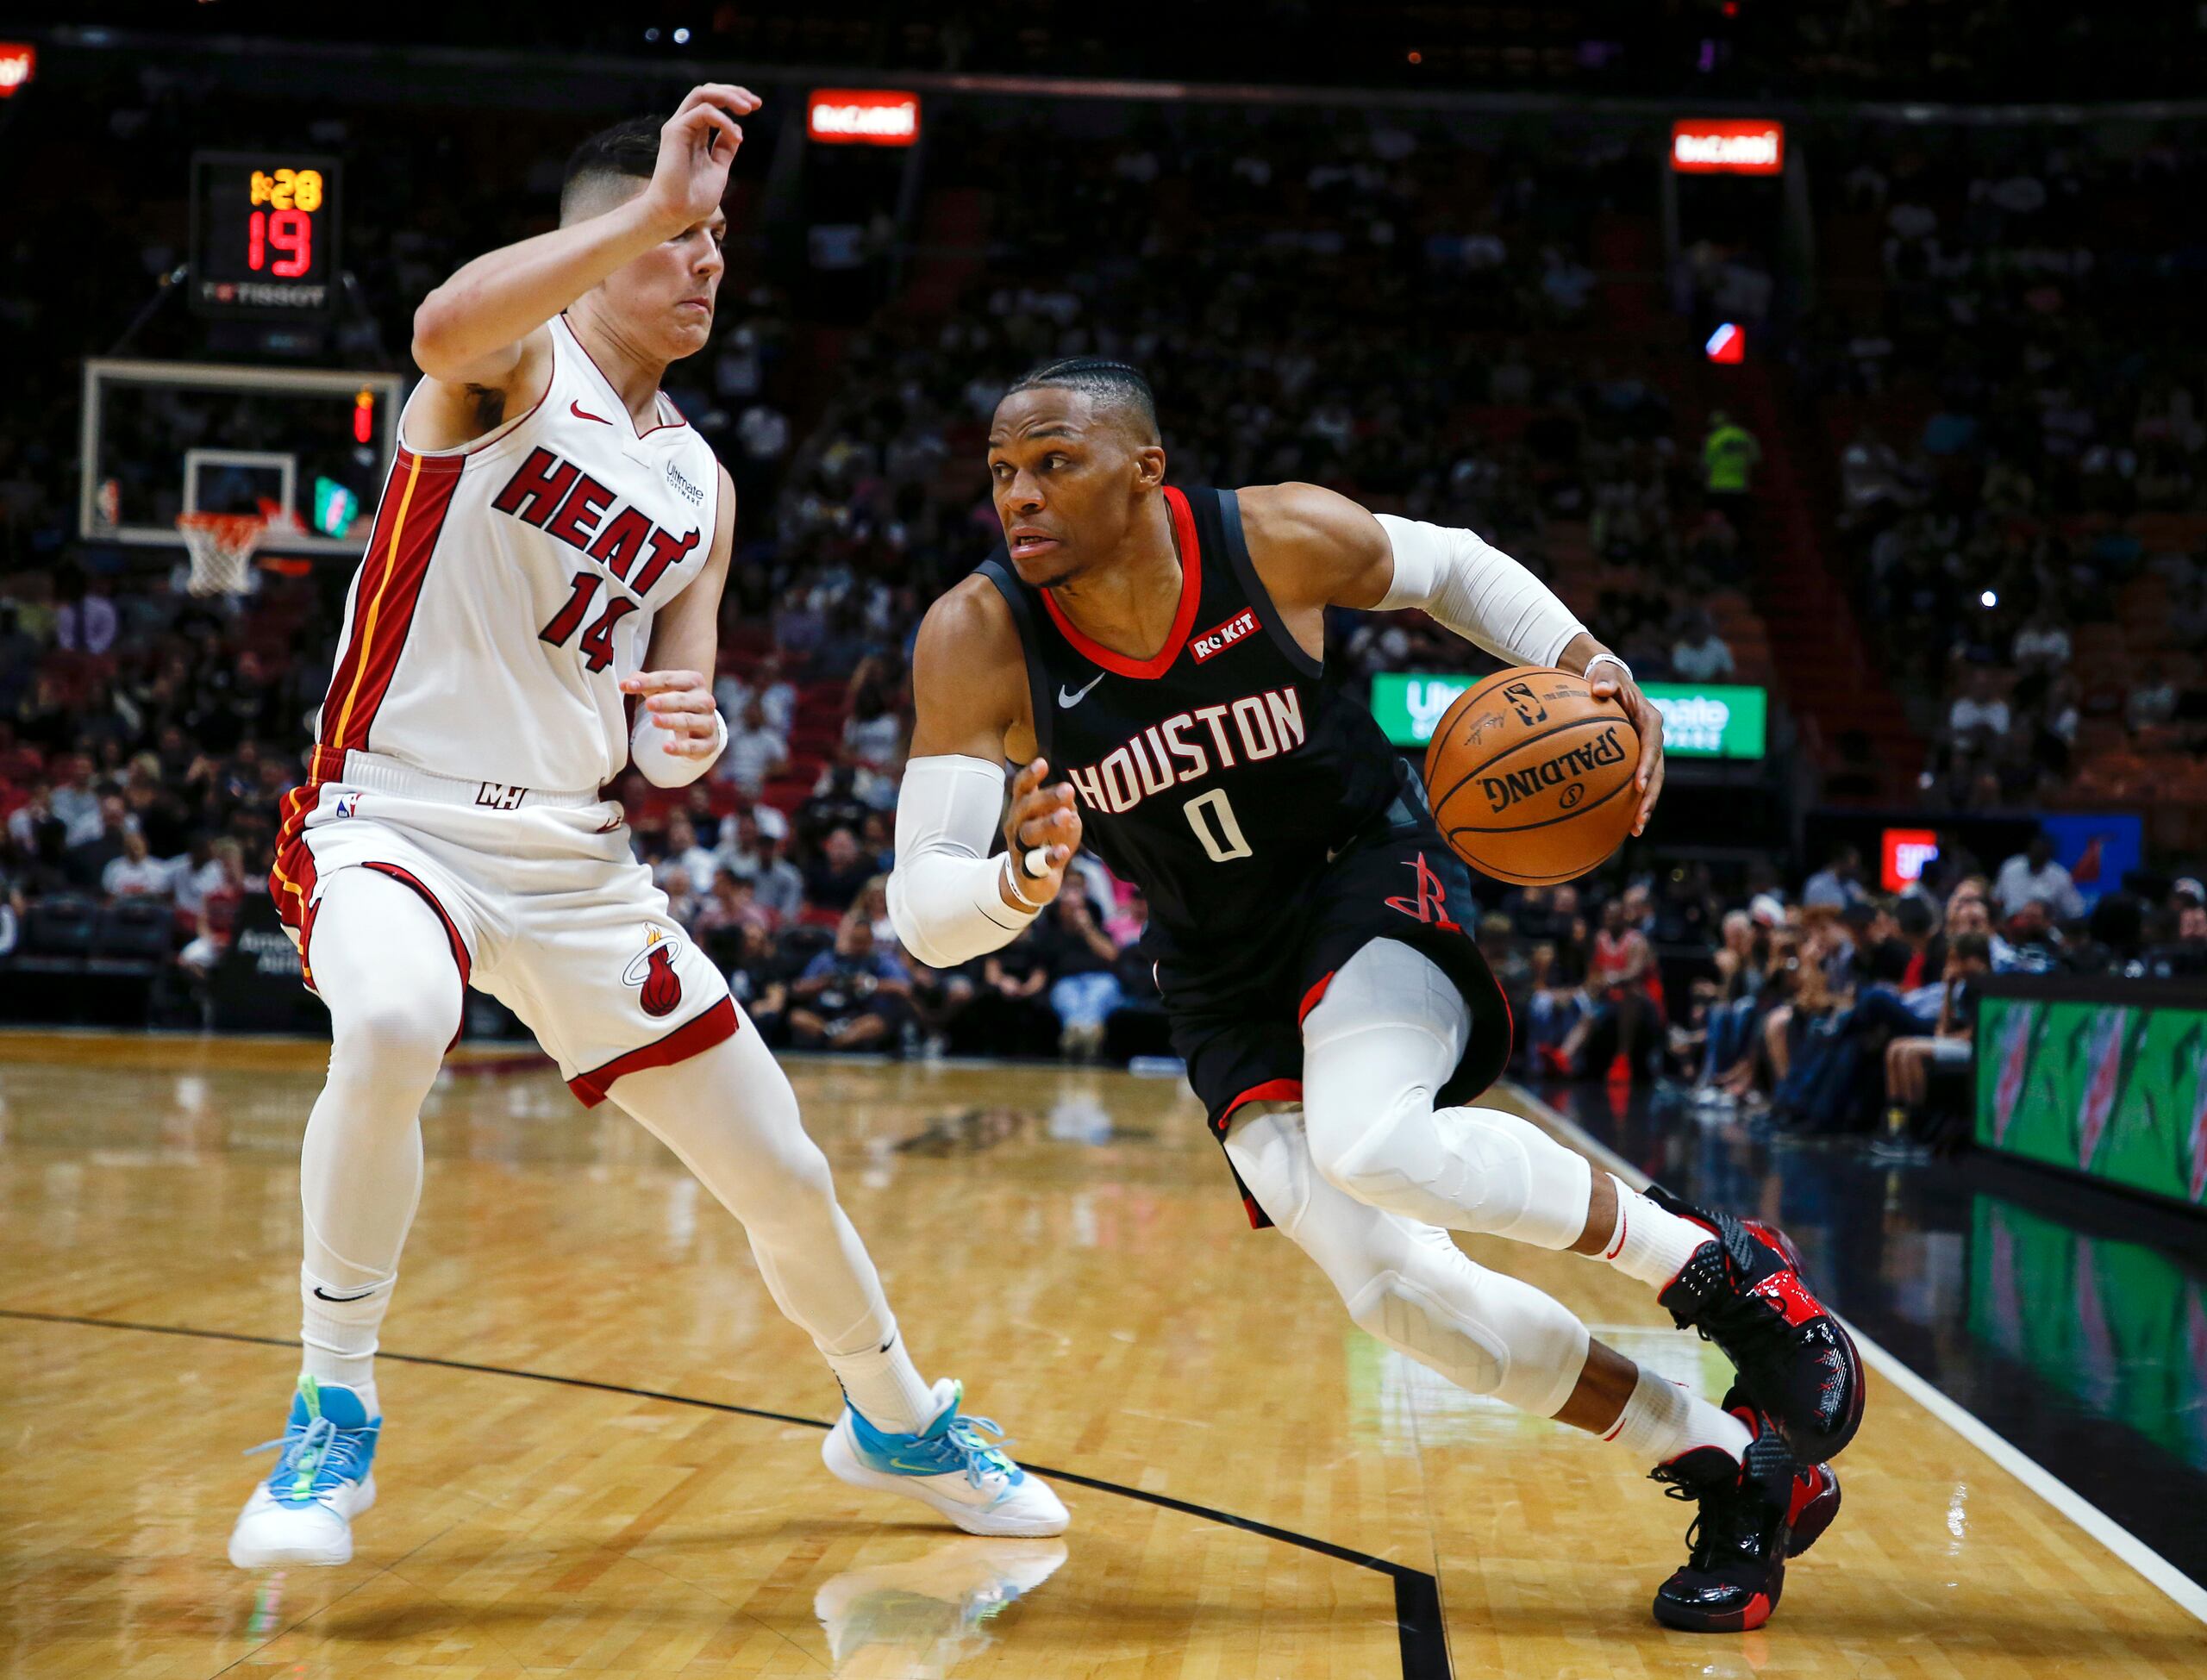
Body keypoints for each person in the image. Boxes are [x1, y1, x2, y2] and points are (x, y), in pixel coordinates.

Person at [887, 358, 1862, 1632]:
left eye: (1054, 461)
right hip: (1217, 970)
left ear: (1144, 469)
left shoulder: (1269, 536)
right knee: (1395, 1291)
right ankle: (1733, 1469)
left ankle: (1727, 1273)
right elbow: (923, 906)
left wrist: (1584, 654)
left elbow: (1451, 566)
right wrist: (1016, 883)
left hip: (1364, 872)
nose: (1019, 494)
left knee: (1376, 1139)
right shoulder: (978, 635)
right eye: (1003, 472)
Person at [232, 92, 1061, 1572]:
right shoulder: (506, 366)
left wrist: (693, 729)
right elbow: (434, 327)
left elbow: (671, 698)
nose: (708, 267)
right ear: (596, 241)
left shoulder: (702, 481)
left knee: (783, 1169)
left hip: (573, 858)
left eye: (717, 247)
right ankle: (331, 1398)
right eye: (683, 241)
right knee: (397, 1012)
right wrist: (646, 201)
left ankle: (892, 1412)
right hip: (394, 812)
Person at [1992, 832, 2085, 923]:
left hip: (2044, 928)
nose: (2036, 854)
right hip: (2012, 925)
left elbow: (2075, 911)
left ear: (2049, 856)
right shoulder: (2011, 867)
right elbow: (1997, 899)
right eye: (2034, 850)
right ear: (2028, 851)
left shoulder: (2060, 876)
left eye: (2041, 852)